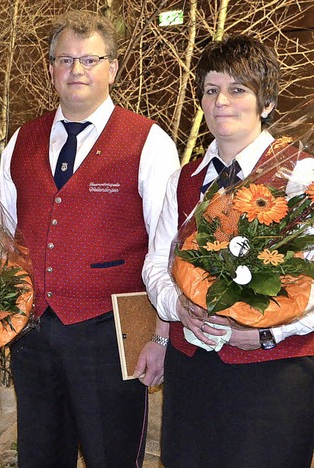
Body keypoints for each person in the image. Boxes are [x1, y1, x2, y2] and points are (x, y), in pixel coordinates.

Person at [0, 10, 179, 468]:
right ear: (51, 68)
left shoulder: (149, 141)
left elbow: (168, 244)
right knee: (39, 455)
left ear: (112, 69)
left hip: (111, 331)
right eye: (66, 60)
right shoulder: (21, 139)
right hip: (33, 331)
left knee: (110, 456)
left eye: (90, 60)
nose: (77, 70)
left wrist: (162, 335)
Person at [143, 35, 314, 467]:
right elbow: (157, 263)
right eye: (211, 90)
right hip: (193, 368)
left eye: (238, 89)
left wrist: (269, 331)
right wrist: (177, 307)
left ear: (267, 102)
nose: (222, 101)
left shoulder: (301, 174)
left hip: (274, 372)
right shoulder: (184, 180)